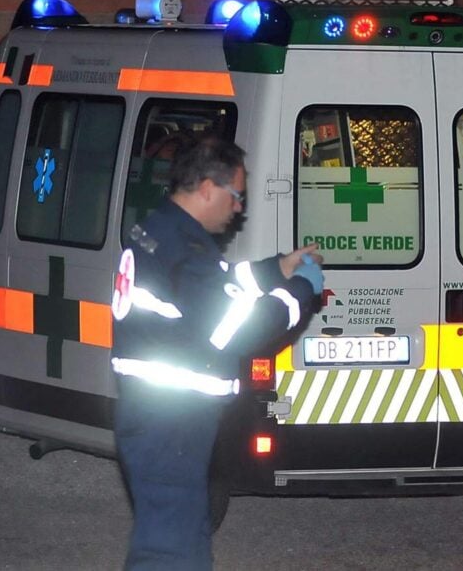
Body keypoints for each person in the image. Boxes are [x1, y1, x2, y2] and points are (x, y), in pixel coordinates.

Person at [110, 137, 324, 570]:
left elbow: (218, 285)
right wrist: (299, 292)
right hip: (172, 421)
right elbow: (235, 330)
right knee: (169, 548)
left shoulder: (162, 230)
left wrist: (277, 268)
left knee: (183, 539)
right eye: (237, 196)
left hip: (158, 415)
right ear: (208, 187)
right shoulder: (184, 249)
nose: (239, 208)